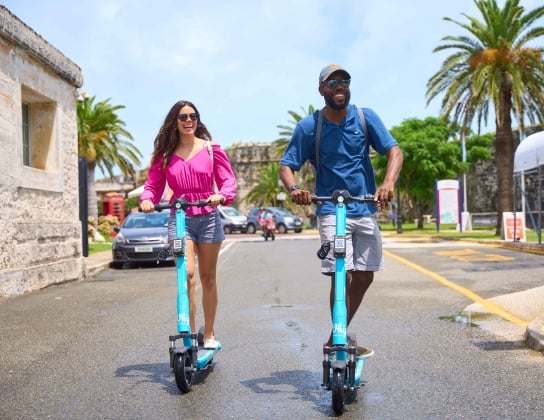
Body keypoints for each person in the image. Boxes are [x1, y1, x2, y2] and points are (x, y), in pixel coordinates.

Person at [279, 64, 403, 349]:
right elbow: (287, 165)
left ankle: (338, 330)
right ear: (321, 89)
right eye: (332, 82)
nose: (339, 87)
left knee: (364, 276)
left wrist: (387, 183)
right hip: (330, 211)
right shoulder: (310, 127)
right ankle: (337, 334)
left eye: (344, 81)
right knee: (340, 270)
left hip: (364, 208)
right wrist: (295, 189)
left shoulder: (364, 118)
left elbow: (394, 152)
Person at [139, 100, 237, 350]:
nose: (188, 120)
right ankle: (189, 332)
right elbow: (152, 185)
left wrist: (221, 195)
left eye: (193, 116)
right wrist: (147, 199)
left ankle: (210, 333)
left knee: (208, 277)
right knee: (187, 275)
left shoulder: (212, 149)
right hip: (180, 217)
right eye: (183, 117)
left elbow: (228, 182)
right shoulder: (164, 155)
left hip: (208, 216)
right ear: (175, 121)